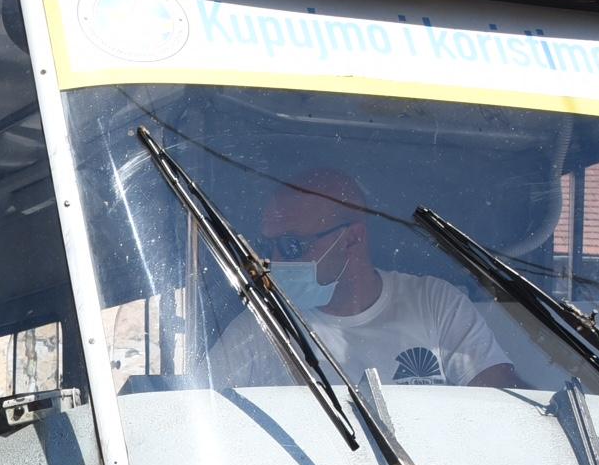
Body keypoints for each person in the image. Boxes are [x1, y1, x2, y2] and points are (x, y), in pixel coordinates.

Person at [222, 166, 521, 390]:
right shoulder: (260, 328)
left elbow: (505, 410)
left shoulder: (435, 304)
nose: (272, 261)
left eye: (291, 245)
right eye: (266, 247)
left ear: (352, 239)